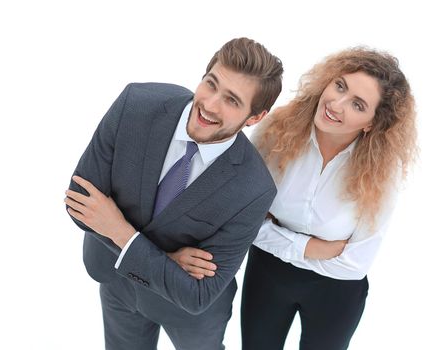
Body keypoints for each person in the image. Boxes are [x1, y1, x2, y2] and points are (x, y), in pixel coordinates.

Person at [174, 47, 417, 349]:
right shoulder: (277, 130)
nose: (336, 104)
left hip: (336, 292)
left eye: (357, 104)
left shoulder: (382, 170)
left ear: (371, 122)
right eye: (339, 86)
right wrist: (316, 248)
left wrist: (274, 232)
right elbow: (240, 219)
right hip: (267, 276)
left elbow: (354, 264)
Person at [64, 37, 283, 350]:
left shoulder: (253, 189)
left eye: (232, 100)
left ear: (255, 117)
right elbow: (78, 202)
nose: (209, 104)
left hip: (188, 318)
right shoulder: (136, 103)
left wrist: (121, 232)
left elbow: (197, 294)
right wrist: (165, 259)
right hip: (115, 283)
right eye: (211, 84)